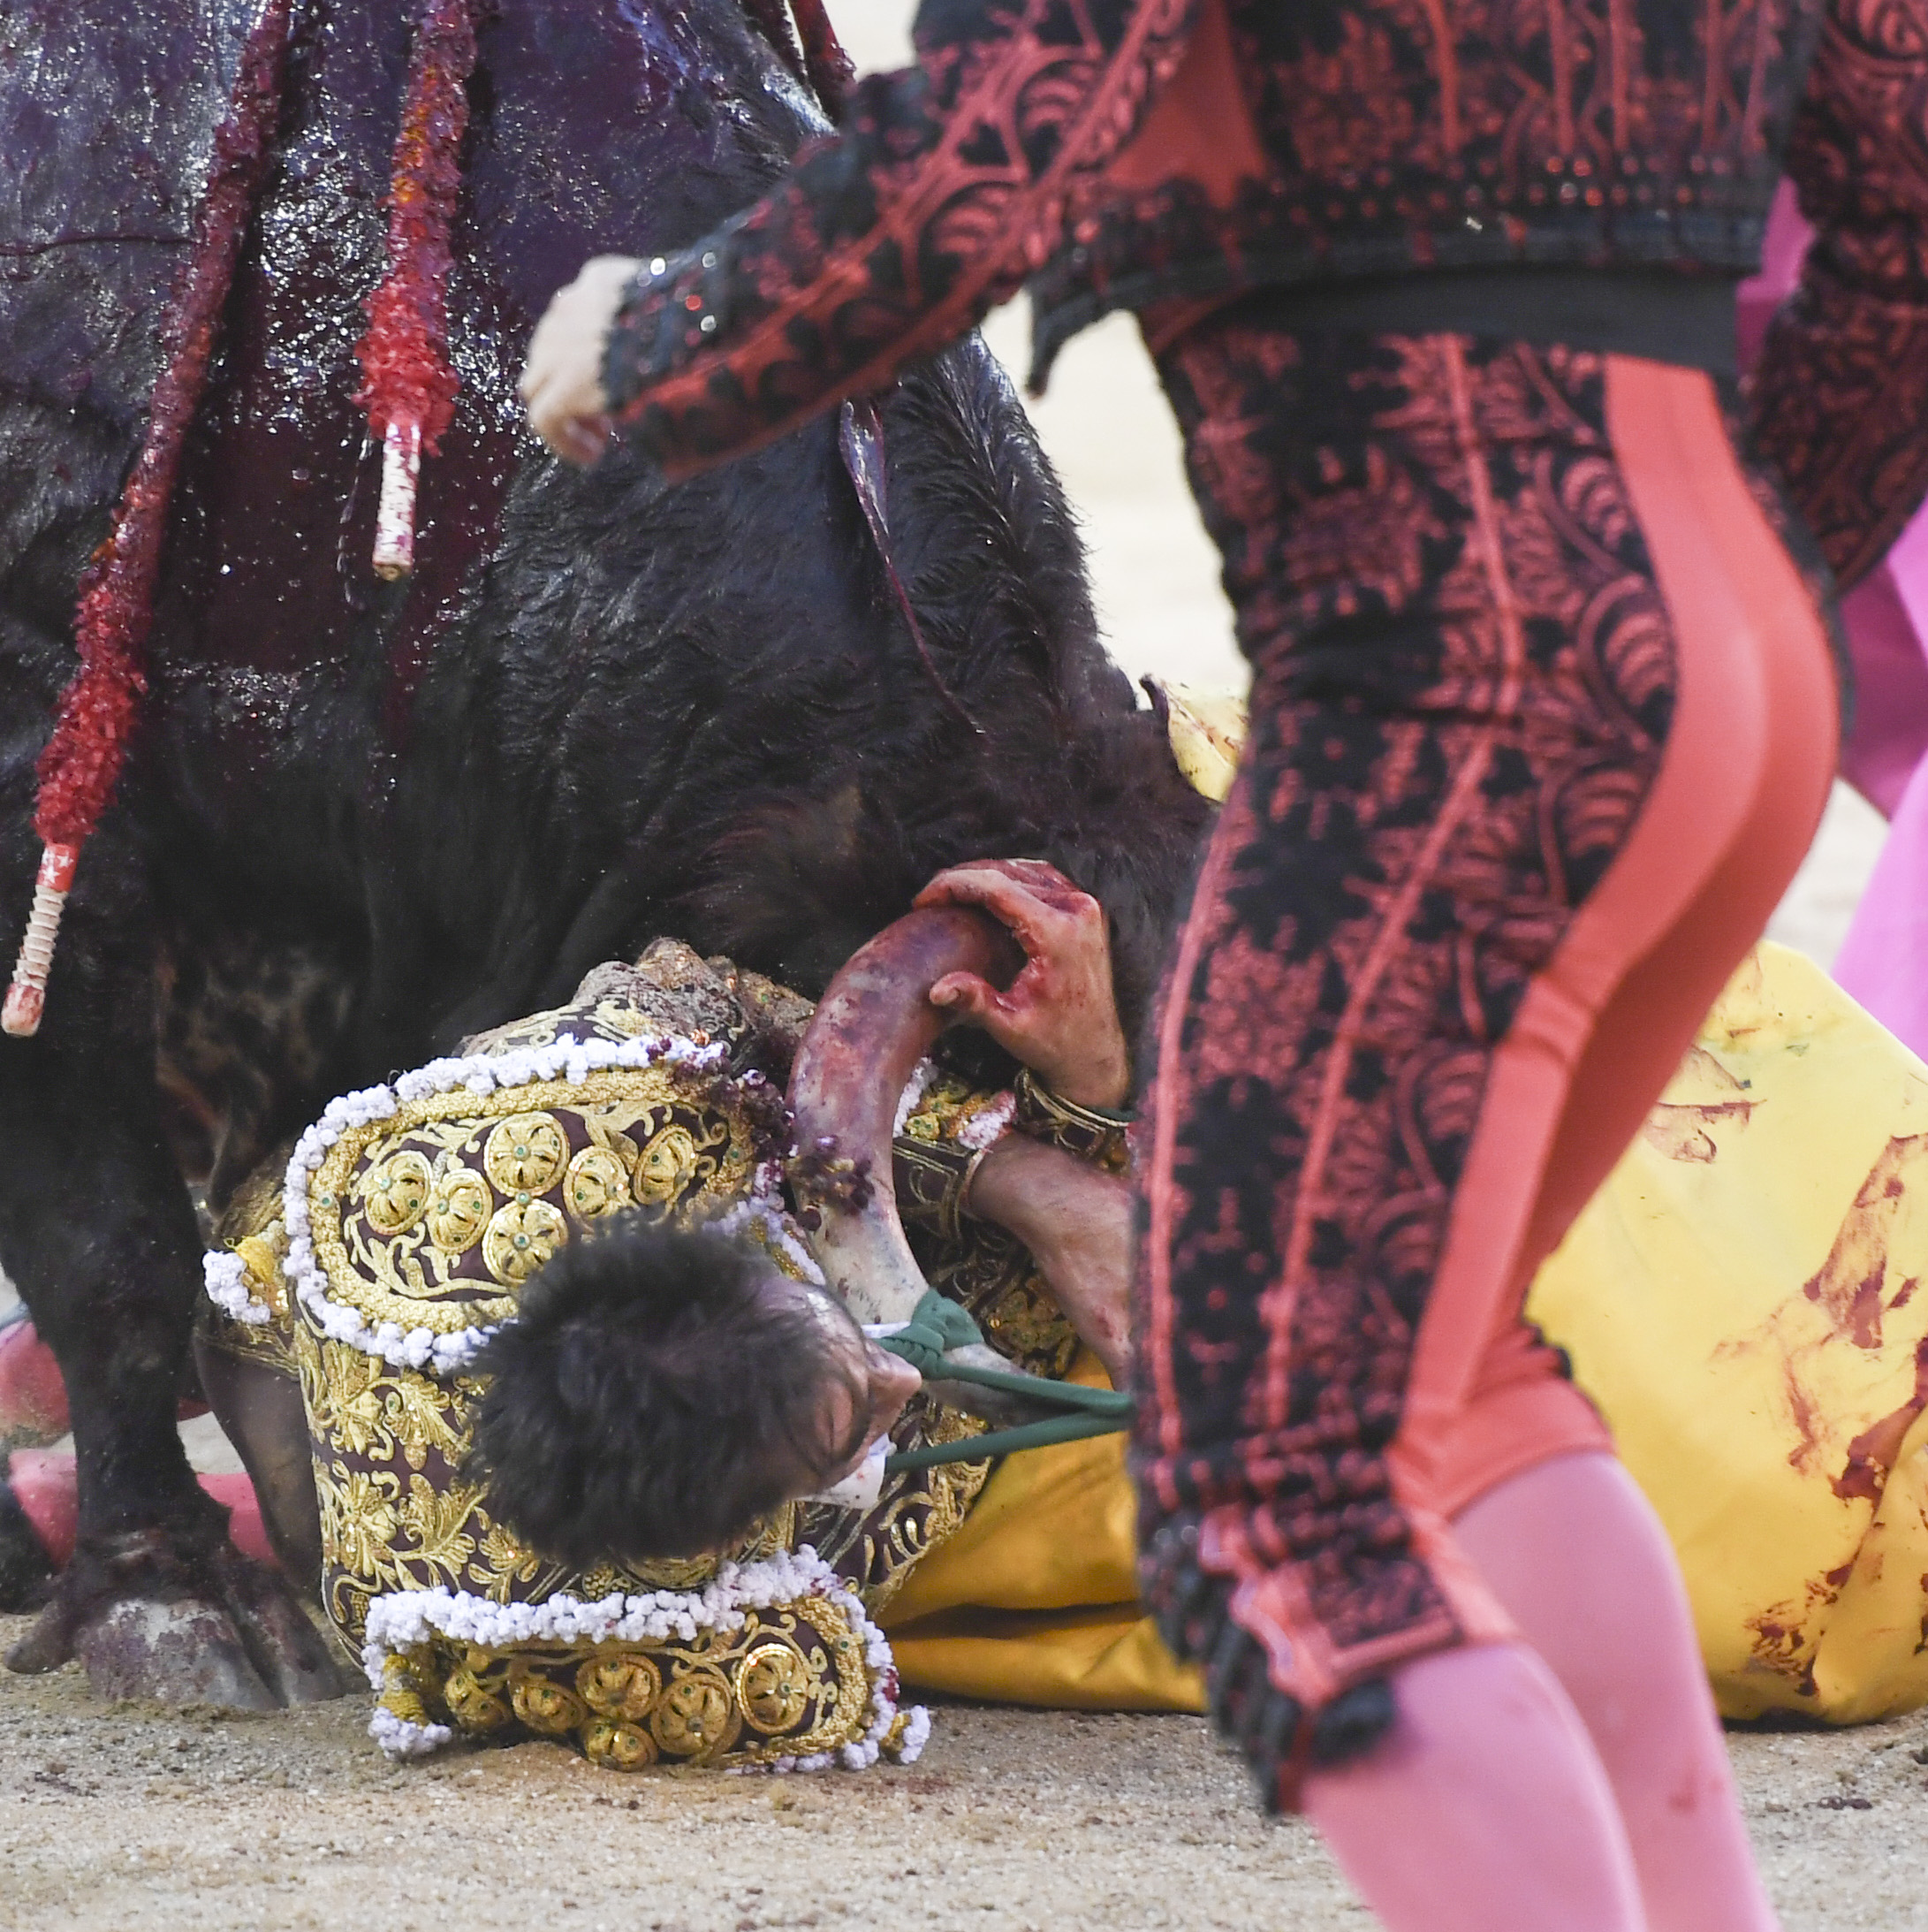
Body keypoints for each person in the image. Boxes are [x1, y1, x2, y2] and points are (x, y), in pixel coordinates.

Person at [518, 2, 1909, 1925]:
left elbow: (989, 158)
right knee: (1456, 1381)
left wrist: (658, 345)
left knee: (1279, 1491)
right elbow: (1911, 191)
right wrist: (1730, 582)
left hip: (1465, 691)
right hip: (1729, 665)